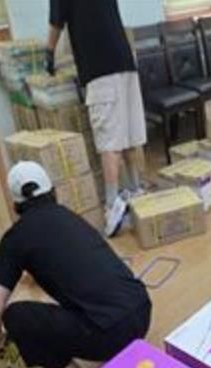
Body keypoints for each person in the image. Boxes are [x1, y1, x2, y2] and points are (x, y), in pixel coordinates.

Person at [0, 161, 152, 368]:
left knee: (16, 317)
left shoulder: (15, 239)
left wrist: (0, 347)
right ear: (53, 191)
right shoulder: (70, 217)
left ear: (14, 205)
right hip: (142, 311)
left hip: (112, 334)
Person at [47, 0, 146, 238]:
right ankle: (136, 191)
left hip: (100, 70)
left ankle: (112, 207)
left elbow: (56, 23)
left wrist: (48, 53)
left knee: (109, 142)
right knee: (130, 135)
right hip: (125, 62)